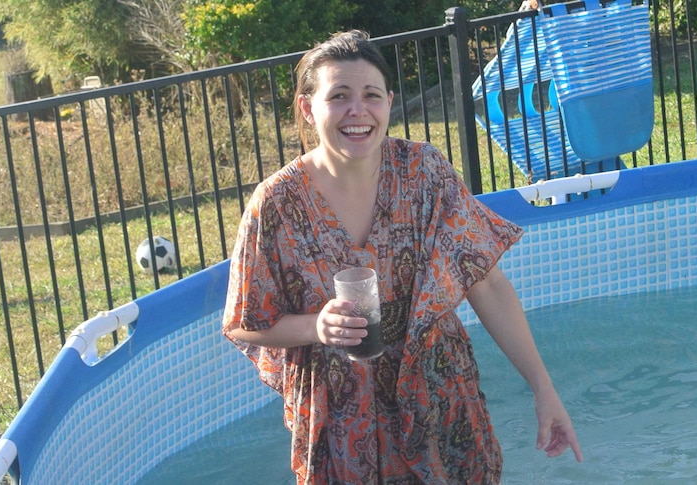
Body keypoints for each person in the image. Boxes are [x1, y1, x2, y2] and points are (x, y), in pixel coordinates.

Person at [222, 30, 582, 484]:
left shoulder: (424, 173)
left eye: (371, 95)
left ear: (389, 103)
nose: (358, 111)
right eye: (339, 96)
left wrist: (543, 390)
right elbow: (244, 321)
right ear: (307, 109)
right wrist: (317, 327)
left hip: (441, 401)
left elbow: (485, 282)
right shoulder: (275, 203)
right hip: (341, 418)